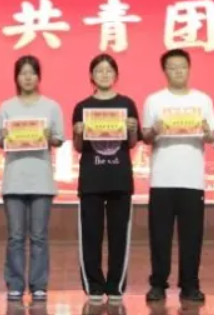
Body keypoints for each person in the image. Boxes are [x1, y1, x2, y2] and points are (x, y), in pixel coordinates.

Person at [141, 49, 214, 304]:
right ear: (165, 71)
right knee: (160, 237)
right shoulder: (154, 100)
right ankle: (158, 285)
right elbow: (146, 136)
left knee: (192, 238)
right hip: (162, 179)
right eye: (172, 67)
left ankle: (190, 285)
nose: (178, 71)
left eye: (182, 66)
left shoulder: (202, 100)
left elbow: (213, 136)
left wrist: (207, 132)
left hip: (192, 180)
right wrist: (154, 130)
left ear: (189, 69)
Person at [0, 55, 65, 302]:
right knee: (15, 237)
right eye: (23, 73)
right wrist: (4, 136)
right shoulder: (6, 107)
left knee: (39, 236)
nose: (28, 77)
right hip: (14, 180)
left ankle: (39, 284)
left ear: (39, 76)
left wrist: (48, 136)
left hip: (41, 180)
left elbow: (58, 139)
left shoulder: (51, 107)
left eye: (32, 73)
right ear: (16, 77)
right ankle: (15, 283)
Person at [71, 54, 140, 303]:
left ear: (116, 75)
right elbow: (79, 147)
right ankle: (94, 285)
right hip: (91, 180)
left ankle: (115, 285)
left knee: (119, 236)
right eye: (99, 71)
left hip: (120, 179)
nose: (104, 75)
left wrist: (132, 129)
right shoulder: (82, 107)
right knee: (91, 235)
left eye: (109, 70)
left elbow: (131, 143)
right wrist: (78, 133)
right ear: (91, 76)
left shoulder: (127, 104)